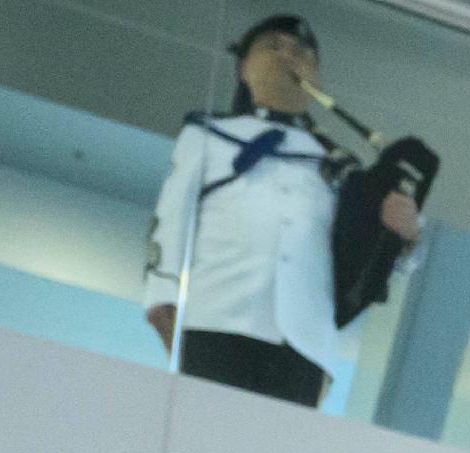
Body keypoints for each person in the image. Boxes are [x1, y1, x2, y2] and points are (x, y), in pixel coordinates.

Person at [144, 14, 422, 408]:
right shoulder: (206, 135)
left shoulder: (343, 167)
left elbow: (369, 260)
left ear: (317, 81)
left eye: (302, 53)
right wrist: (162, 298)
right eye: (273, 46)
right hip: (216, 321)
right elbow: (171, 220)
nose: (288, 56)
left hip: (304, 345)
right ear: (243, 68)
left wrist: (406, 237)